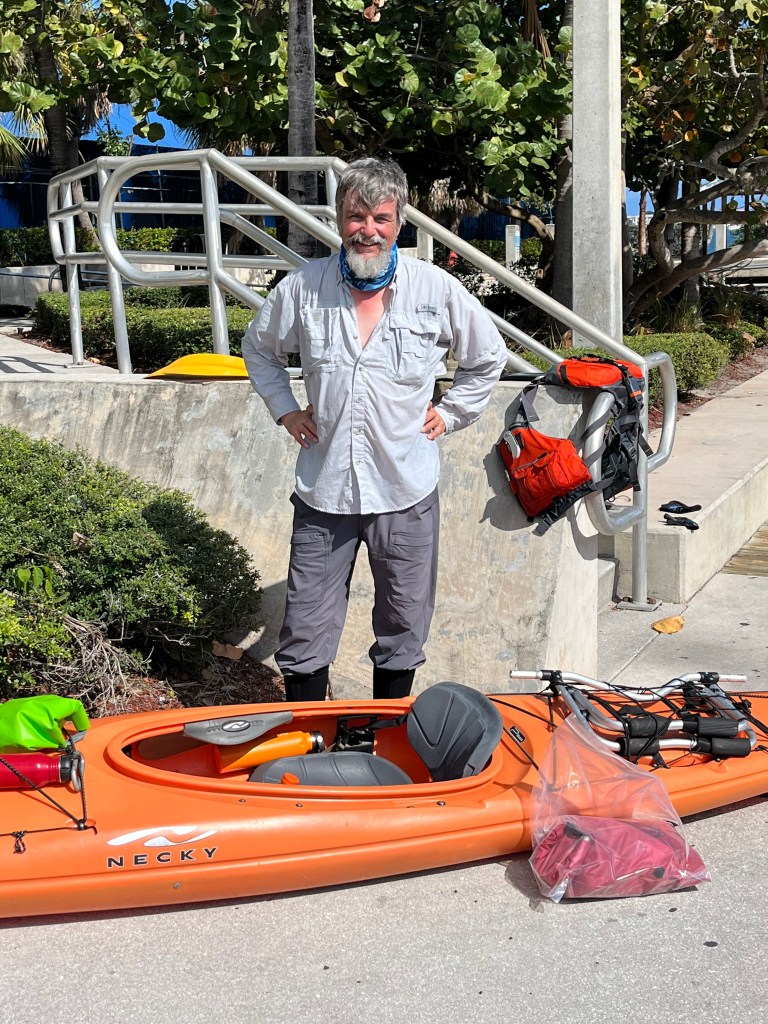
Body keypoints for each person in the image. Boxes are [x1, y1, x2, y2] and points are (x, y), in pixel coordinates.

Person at [242, 157, 507, 702]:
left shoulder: (434, 288)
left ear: (399, 221)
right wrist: (285, 410)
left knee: (403, 623)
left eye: (381, 218)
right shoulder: (302, 288)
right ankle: (308, 736)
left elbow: (487, 357)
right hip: (324, 490)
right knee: (305, 626)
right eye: (356, 216)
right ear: (340, 219)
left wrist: (452, 412)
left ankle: (388, 733)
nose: (368, 230)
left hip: (406, 489)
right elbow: (259, 350)